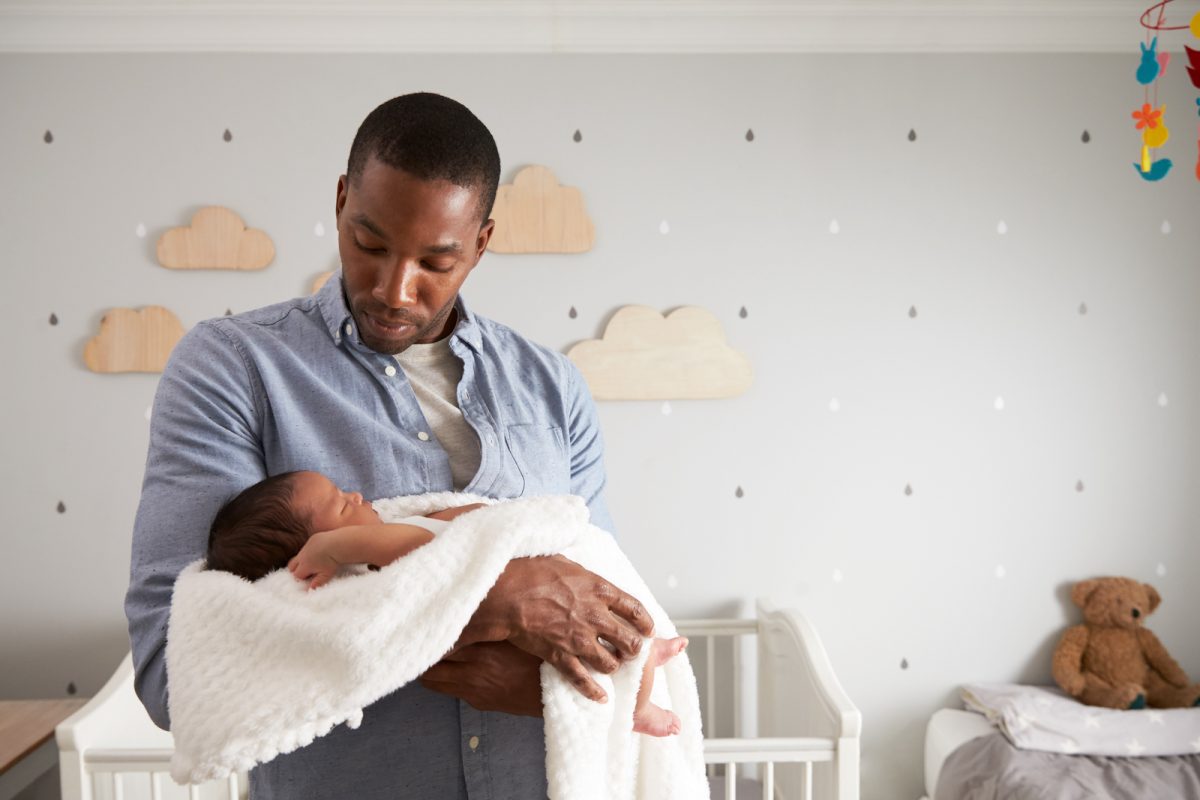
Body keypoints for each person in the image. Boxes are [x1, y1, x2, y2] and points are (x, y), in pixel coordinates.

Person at [126, 91, 654, 799]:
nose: (394, 290)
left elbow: (612, 610)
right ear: (342, 200)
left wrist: (544, 684)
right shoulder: (235, 368)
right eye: (369, 245)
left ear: (481, 244)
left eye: (436, 262)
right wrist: (494, 599)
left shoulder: (552, 388)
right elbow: (177, 676)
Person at [205, 469, 687, 737]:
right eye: (341, 504)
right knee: (626, 653)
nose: (356, 494)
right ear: (313, 552)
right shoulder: (374, 566)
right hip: (530, 625)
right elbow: (424, 550)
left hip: (559, 575)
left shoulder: (387, 544)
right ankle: (638, 708)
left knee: (617, 622)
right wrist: (342, 546)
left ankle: (651, 658)